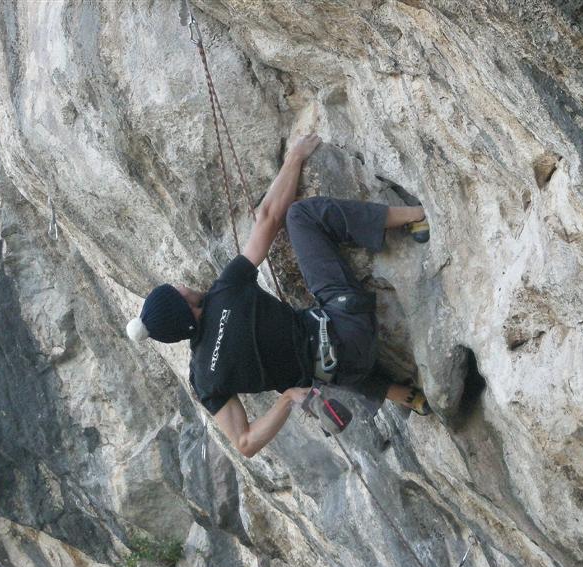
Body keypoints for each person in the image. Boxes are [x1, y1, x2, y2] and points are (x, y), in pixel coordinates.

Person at [127, 133, 431, 457]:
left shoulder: (204, 378)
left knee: (309, 373)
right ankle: (415, 216)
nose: (184, 285)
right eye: (179, 289)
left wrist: (287, 398)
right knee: (302, 217)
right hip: (351, 323)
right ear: (184, 304)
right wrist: (294, 159)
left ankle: (405, 395)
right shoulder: (224, 292)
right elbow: (270, 217)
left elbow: (245, 444)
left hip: (346, 371)